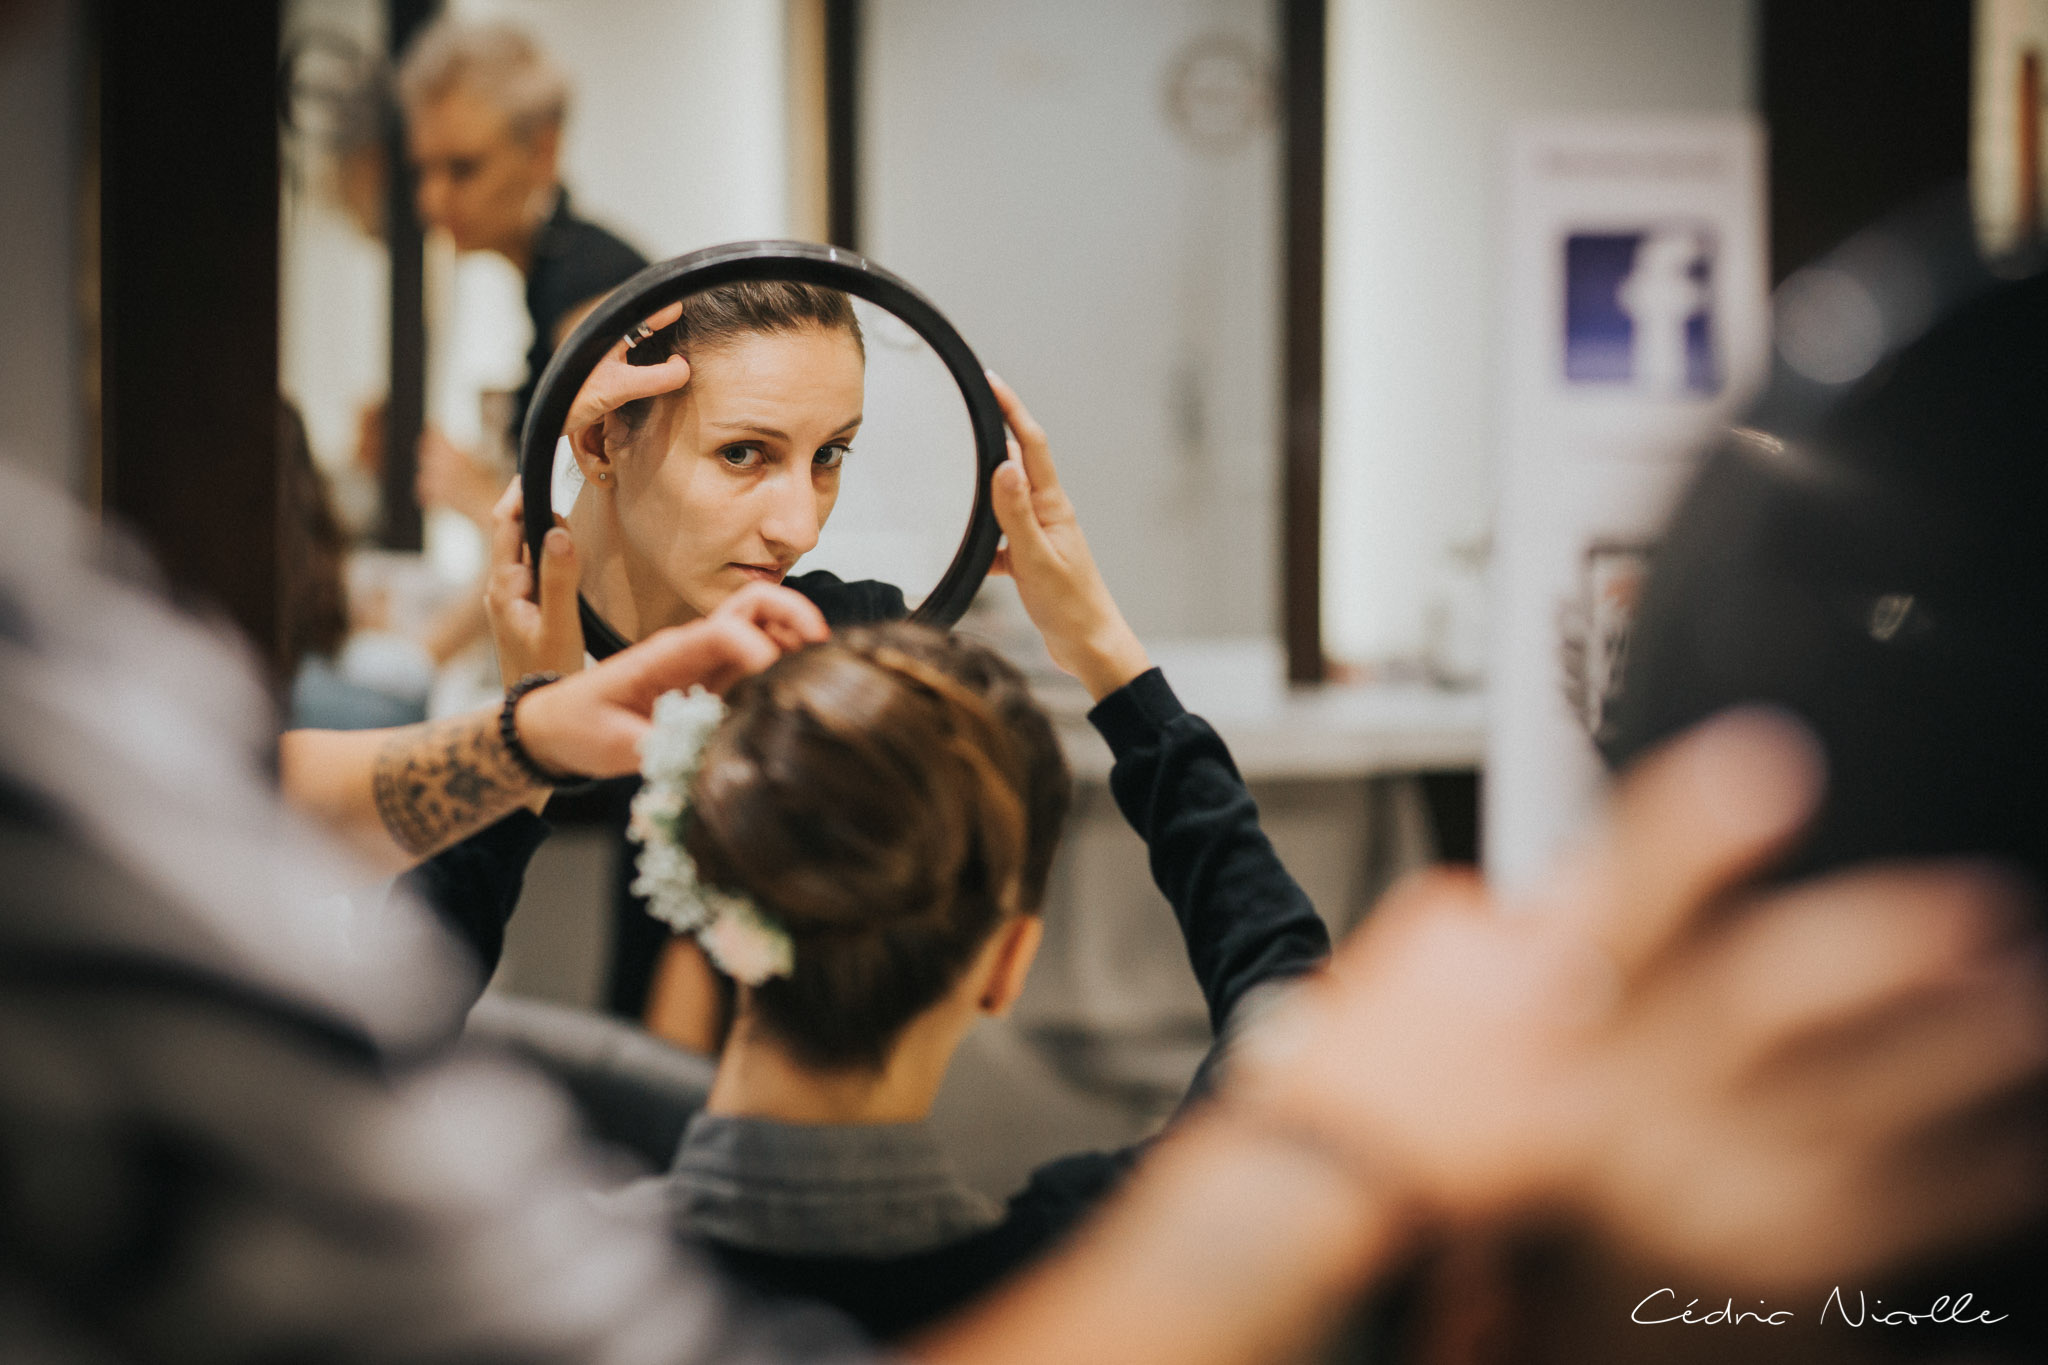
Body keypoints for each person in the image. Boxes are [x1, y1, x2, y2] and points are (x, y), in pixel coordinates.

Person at [5, 445, 2045, 1365]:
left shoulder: (548, 1191)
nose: (790, 506)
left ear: (705, 894)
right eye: (749, 454)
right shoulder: (1119, 1246)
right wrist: (1098, 643)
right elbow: (1276, 968)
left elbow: (383, 1022)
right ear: (1010, 955)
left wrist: (523, 736)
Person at [397, 17, 648, 448]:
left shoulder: (590, 289)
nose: (431, 201)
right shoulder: (560, 270)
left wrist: (475, 491)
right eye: (423, 171)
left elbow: (598, 500)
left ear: (542, 152)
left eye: (463, 168)